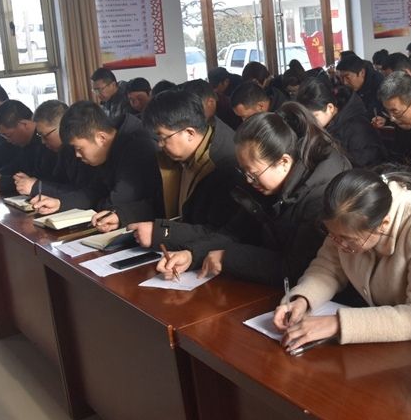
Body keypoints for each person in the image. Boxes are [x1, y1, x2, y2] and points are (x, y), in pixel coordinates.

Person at [273, 168, 411, 354]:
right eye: (333, 236)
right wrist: (302, 299)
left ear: (383, 224)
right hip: (392, 345)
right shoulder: (349, 215)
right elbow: (328, 267)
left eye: (347, 239)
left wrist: (336, 324)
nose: (339, 245)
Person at [155, 102, 352, 288]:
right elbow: (234, 231)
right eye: (244, 172)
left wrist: (227, 257)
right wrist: (192, 254)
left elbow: (294, 268)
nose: (249, 181)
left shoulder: (322, 195)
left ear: (283, 162)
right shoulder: (265, 185)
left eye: (253, 174)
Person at [128, 89, 241, 248]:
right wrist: (121, 215)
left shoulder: (224, 166)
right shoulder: (179, 156)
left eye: (163, 137)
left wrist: (160, 233)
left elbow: (220, 233)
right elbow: (161, 203)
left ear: (189, 133)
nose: (159, 144)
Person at [30, 101, 163, 230]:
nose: (77, 155)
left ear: (101, 138)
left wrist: (95, 202)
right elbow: (94, 191)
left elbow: (114, 204)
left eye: (79, 148)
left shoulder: (139, 146)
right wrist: (60, 203)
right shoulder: (104, 148)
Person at [296, 76, 386, 168]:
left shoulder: (358, 128)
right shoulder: (328, 123)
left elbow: (364, 164)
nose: (308, 121)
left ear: (330, 108)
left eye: (313, 116)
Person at [13, 100, 95, 199]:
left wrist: (38, 187)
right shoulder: (61, 150)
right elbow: (56, 181)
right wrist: (33, 182)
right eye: (40, 136)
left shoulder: (84, 151)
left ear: (63, 127)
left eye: (45, 135)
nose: (43, 142)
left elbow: (82, 193)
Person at [0, 100, 57, 195]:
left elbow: (40, 178)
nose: (8, 140)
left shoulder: (47, 142)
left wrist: (0, 183)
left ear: (24, 124)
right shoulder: (24, 143)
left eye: (8, 135)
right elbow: (17, 166)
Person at [336, 54, 383, 118]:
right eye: (341, 78)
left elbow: (375, 112)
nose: (345, 82)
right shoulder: (348, 86)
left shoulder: (379, 84)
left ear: (362, 73)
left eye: (347, 77)